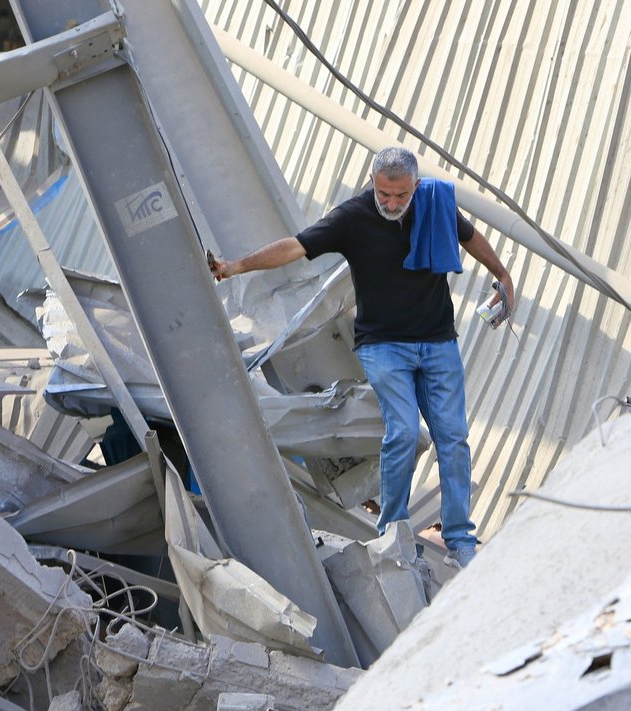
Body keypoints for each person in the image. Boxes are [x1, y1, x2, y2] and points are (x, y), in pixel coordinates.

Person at [211, 146, 514, 569]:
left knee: (453, 438)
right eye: (384, 194)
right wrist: (236, 266)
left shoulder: (434, 202)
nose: (391, 204)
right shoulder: (352, 217)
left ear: (414, 187)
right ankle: (393, 531)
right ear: (373, 182)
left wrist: (502, 274)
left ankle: (460, 539)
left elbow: (469, 238)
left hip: (438, 340)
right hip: (383, 345)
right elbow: (294, 247)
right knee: (404, 431)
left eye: (400, 196)